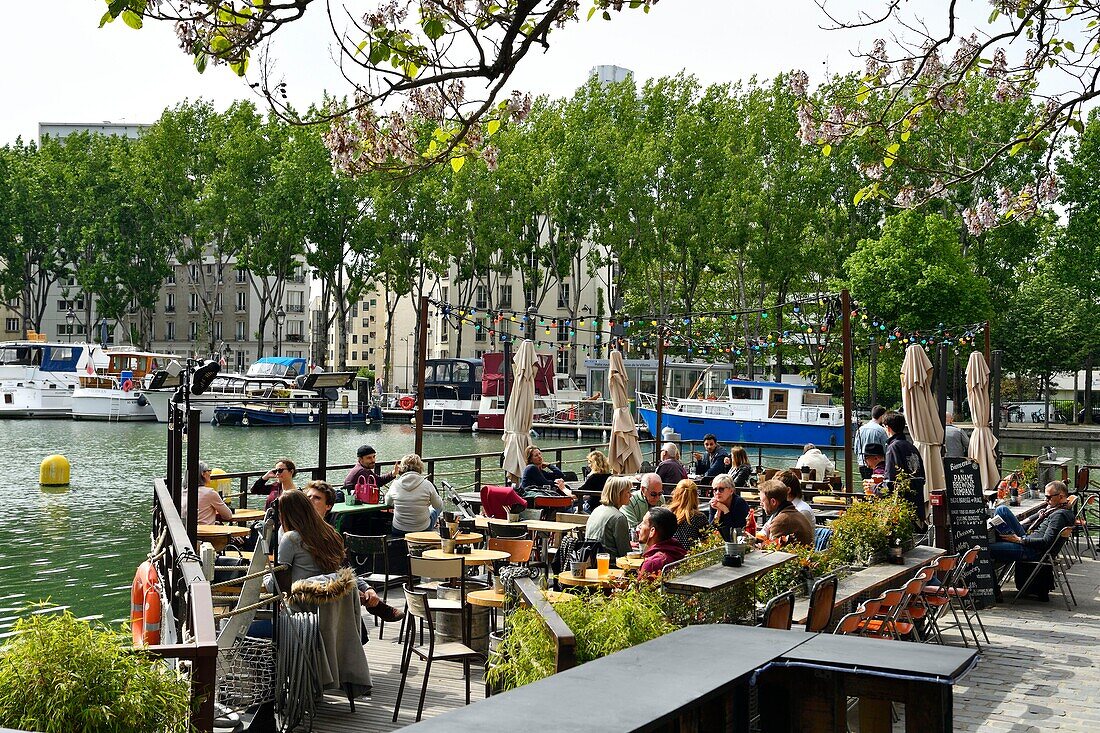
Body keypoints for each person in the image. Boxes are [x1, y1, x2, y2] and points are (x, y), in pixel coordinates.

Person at [271, 490, 402, 621]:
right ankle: (371, 603)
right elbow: (343, 569)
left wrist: (264, 579)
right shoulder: (329, 532)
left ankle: (368, 600)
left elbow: (280, 580)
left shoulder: (290, 538)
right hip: (334, 604)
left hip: (306, 608)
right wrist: (366, 587)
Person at [989, 481, 1075, 563]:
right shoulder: (1055, 509)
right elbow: (1035, 522)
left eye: (1048, 497)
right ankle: (1001, 540)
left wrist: (1019, 540)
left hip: (1032, 550)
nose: (1045, 500)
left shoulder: (1059, 515)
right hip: (1028, 539)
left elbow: (1046, 542)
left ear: (1060, 497)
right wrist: (1020, 528)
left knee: (985, 548)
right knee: (1002, 509)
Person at [383, 453, 444, 537]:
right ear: (420, 467)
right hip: (422, 529)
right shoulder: (427, 484)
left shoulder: (395, 484)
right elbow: (438, 505)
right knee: (436, 508)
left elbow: (388, 503)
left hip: (399, 529)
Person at [883, 411, 926, 527]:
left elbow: (891, 483)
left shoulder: (893, 448)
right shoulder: (912, 447)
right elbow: (922, 477)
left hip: (901, 508)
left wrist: (875, 488)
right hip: (917, 505)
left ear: (888, 428)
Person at [584, 476, 634, 559]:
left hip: (593, 560)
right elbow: (625, 552)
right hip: (612, 563)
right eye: (628, 492)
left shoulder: (597, 510)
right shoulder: (619, 517)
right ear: (619, 494)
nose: (631, 495)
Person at [757, 479, 814, 546]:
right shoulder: (794, 513)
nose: (761, 504)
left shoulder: (781, 522)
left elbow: (772, 551)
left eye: (762, 501)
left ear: (773, 502)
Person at [637, 506, 688, 576]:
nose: (639, 527)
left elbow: (641, 586)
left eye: (643, 523)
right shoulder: (680, 552)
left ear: (652, 531)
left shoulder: (652, 564)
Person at [182, 460, 233, 525]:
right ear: (203, 474)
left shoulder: (181, 492)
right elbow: (228, 516)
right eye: (209, 471)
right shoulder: (209, 493)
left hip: (184, 531)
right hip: (205, 532)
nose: (210, 474)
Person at [667, 479, 710, 551]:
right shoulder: (699, 517)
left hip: (669, 556)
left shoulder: (666, 514)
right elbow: (708, 541)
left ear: (676, 493)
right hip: (690, 558)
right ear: (696, 496)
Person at [709, 474, 749, 540]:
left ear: (731, 491)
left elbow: (735, 533)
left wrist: (725, 510)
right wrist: (718, 513)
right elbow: (710, 532)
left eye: (721, 489)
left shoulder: (739, 503)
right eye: (715, 489)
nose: (717, 492)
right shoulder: (714, 504)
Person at [854, 406, 889, 479]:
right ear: (882, 416)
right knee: (876, 487)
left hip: (862, 463)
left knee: (866, 486)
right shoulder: (881, 431)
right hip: (877, 465)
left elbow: (856, 450)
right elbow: (886, 449)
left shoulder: (860, 429)